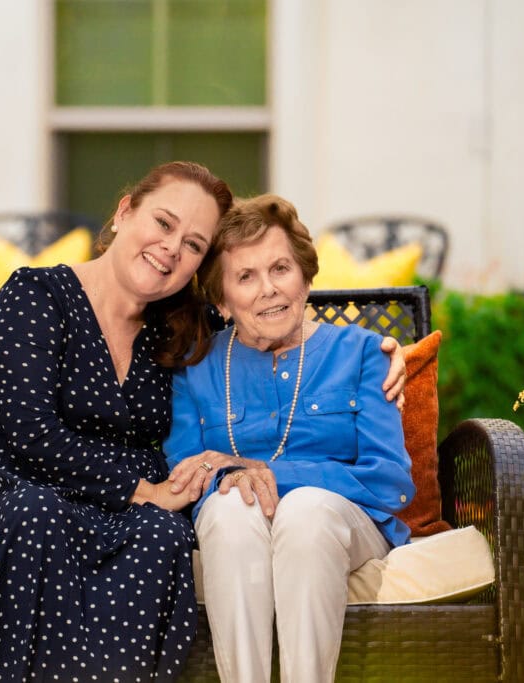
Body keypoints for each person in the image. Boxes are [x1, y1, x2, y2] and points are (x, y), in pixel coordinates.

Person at [0, 162, 406, 682]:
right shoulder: (36, 297)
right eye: (163, 223)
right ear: (124, 212)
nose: (171, 247)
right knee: (44, 513)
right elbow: (31, 433)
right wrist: (143, 489)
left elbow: (183, 444)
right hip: (7, 496)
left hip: (104, 509)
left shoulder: (170, 335)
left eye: (192, 244)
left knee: (163, 533)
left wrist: (384, 356)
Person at [163, 194, 416, 683]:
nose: (268, 290)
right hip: (237, 526)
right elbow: (187, 476)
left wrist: (267, 472)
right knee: (230, 506)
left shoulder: (364, 353)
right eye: (245, 277)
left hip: (345, 524)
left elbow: (391, 484)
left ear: (304, 275)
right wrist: (233, 481)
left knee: (306, 512)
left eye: (280, 268)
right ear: (221, 300)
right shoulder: (195, 370)